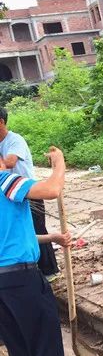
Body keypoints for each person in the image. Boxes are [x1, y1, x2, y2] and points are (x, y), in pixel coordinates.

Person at [0, 147, 71, 356]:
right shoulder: (5, 182)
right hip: (21, 280)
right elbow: (51, 190)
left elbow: (10, 235)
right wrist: (59, 163)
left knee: (19, 351)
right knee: (46, 349)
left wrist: (51, 238)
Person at [0, 107, 60, 280]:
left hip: (29, 193)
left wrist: (59, 162)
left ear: (1, 122)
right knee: (20, 233)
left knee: (37, 228)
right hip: (9, 197)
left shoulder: (14, 140)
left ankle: (49, 271)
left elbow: (10, 162)